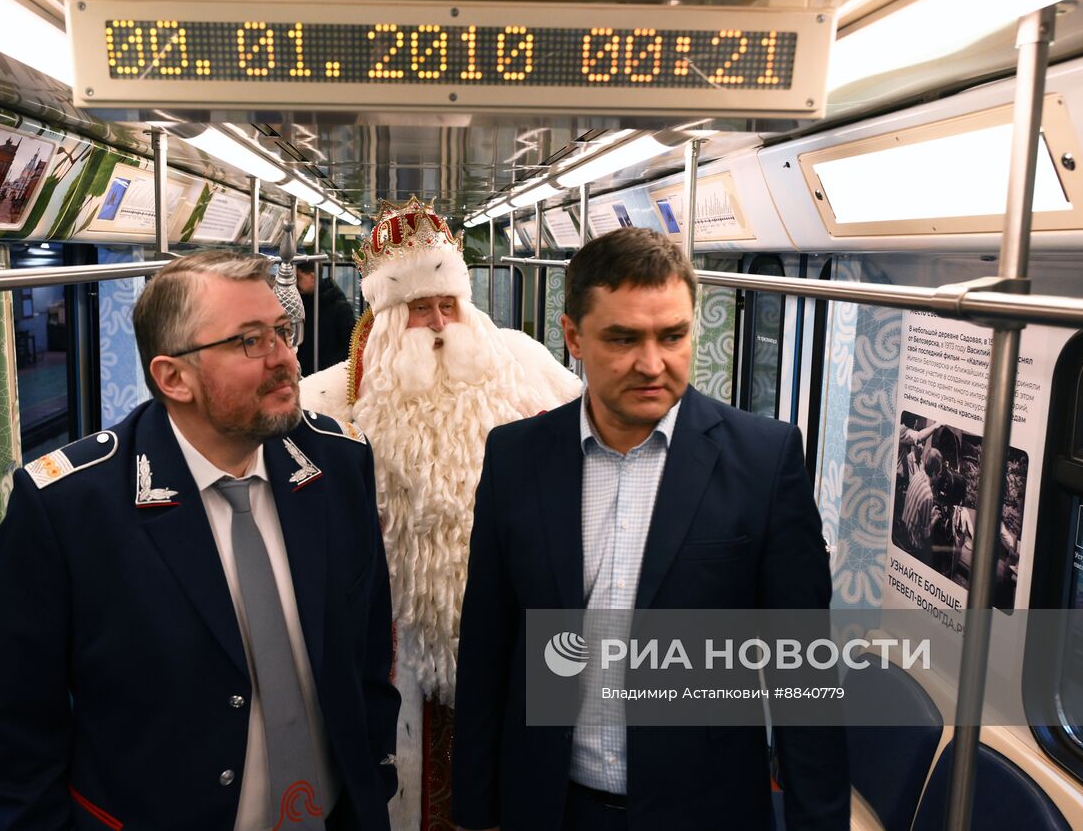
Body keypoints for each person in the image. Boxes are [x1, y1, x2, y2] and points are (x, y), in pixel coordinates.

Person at [0, 251, 399, 831]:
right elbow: (16, 741)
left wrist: (374, 779)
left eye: (282, 330)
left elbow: (367, 653)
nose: (286, 360)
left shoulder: (337, 463)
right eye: (251, 341)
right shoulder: (67, 512)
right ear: (173, 377)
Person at [453, 227, 849, 831]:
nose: (652, 363)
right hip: (551, 802)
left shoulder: (763, 462)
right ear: (573, 338)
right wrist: (476, 811)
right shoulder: (517, 457)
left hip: (705, 807)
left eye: (673, 336)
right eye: (622, 338)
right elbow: (488, 646)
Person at [298, 196, 579, 830]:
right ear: (387, 315)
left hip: (517, 621)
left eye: (447, 304)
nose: (438, 323)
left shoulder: (527, 365)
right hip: (394, 633)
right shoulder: (329, 396)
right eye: (419, 308)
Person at [298, 260, 356, 378]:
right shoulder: (300, 303)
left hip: (327, 376)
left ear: (312, 277)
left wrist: (327, 371)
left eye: (298, 278)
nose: (295, 283)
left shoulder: (339, 307)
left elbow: (351, 346)